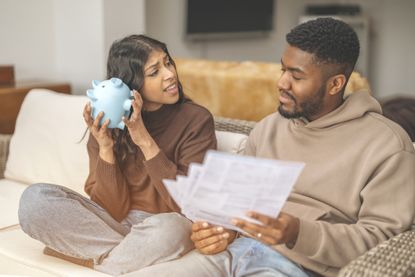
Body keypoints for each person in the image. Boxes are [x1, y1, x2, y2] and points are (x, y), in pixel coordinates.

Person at [125, 18, 415, 277]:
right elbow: (237, 207)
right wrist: (222, 231)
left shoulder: (388, 146)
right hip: (233, 255)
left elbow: (382, 242)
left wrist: (297, 232)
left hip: (299, 266)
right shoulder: (268, 128)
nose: (281, 82)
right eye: (282, 69)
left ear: (335, 84)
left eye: (296, 76)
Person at [18, 34, 217, 276]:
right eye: (154, 72)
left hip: (163, 223)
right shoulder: (108, 123)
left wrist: (143, 138)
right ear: (132, 84)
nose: (169, 74)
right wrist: (105, 148)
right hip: (114, 223)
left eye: (168, 62)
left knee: (175, 228)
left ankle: (89, 260)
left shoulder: (196, 120)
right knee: (35, 199)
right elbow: (110, 208)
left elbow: (188, 204)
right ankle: (123, 259)